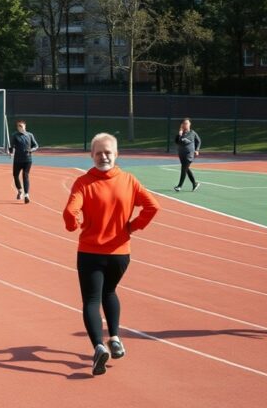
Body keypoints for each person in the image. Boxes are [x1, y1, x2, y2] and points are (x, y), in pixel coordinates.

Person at [63, 133, 159, 376]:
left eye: (107, 152)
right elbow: (152, 207)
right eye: (99, 152)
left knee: (92, 300)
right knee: (110, 292)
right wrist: (133, 226)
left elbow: (70, 211)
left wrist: (73, 226)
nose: (103, 156)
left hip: (90, 252)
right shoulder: (128, 180)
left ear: (116, 154)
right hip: (120, 253)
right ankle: (114, 338)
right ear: (92, 155)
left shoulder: (84, 182)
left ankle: (98, 346)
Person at [9, 120, 39, 204]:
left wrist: (31, 150)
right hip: (17, 160)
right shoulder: (15, 135)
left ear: (25, 126)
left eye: (21, 126)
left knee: (25, 176)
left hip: (27, 159)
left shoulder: (30, 135)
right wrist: (11, 152)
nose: (20, 127)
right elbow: (12, 146)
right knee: (15, 175)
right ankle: (20, 190)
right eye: (18, 126)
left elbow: (36, 145)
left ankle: (26, 195)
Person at [174, 118, 201, 192]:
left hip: (189, 154)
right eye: (184, 123)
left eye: (187, 123)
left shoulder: (192, 133)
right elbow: (177, 142)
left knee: (183, 168)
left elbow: (198, 141)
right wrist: (179, 133)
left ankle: (179, 186)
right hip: (181, 154)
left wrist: (197, 150)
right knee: (186, 169)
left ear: (189, 124)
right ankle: (194, 183)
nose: (185, 125)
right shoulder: (181, 133)